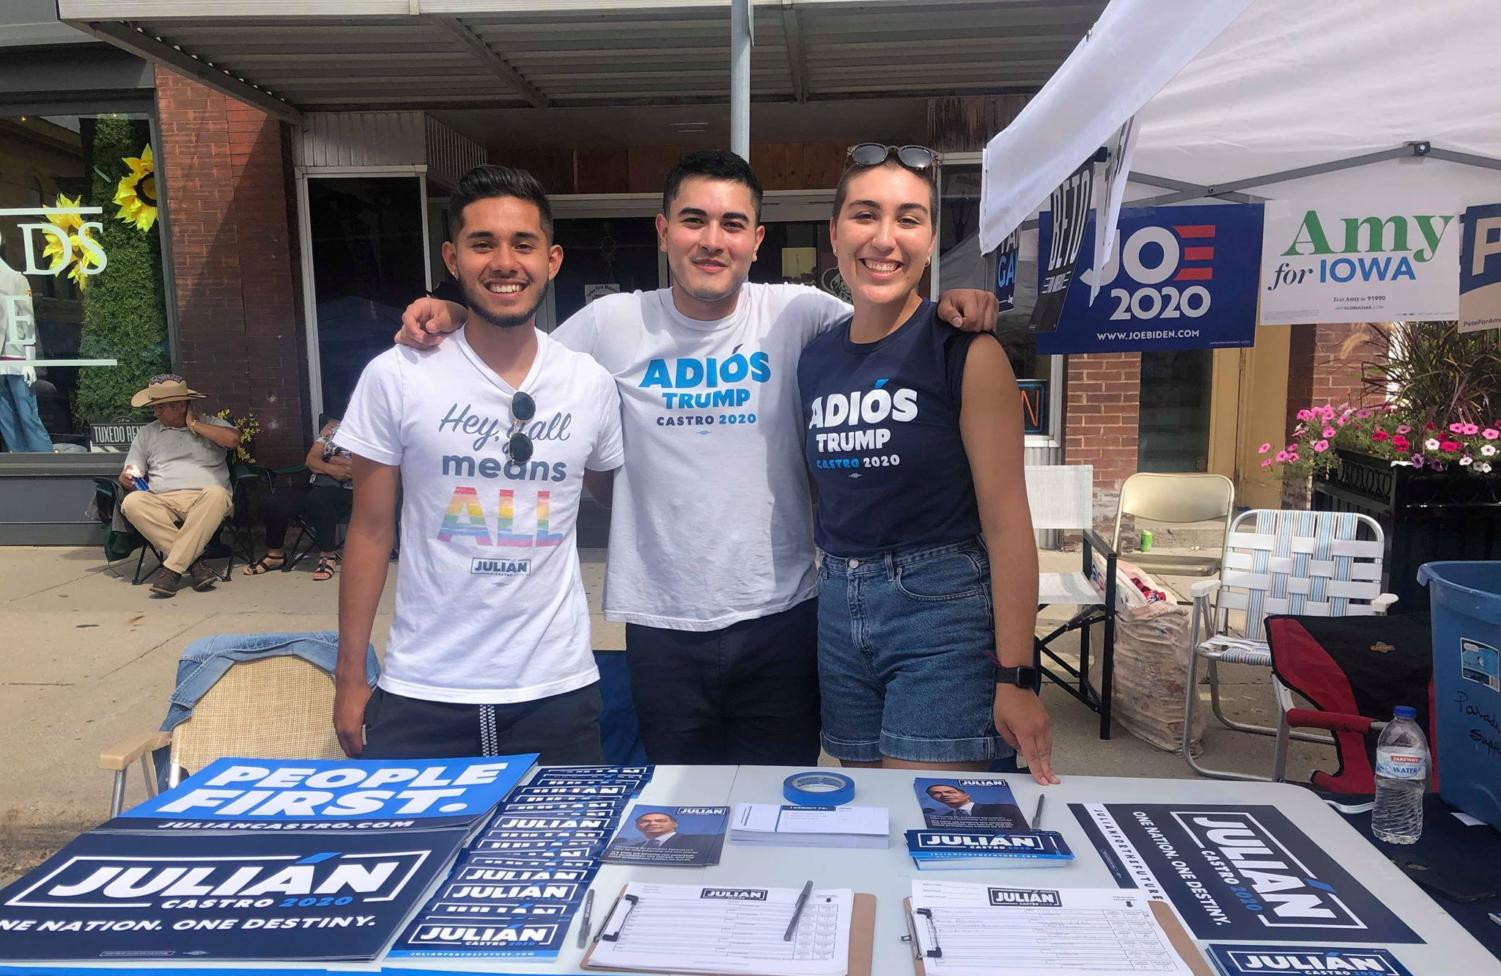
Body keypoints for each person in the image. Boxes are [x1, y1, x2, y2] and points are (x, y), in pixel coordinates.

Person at [396, 150, 998, 769]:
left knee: (776, 813)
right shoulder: (611, 323)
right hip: (661, 627)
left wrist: (955, 302)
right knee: (681, 821)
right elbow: (520, 359)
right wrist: (459, 312)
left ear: (757, 239)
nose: (713, 241)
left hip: (781, 618)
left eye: (733, 224)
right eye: (692, 221)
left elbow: (893, 316)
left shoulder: (799, 314)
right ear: (662, 231)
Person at [333, 165, 624, 763]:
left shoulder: (588, 383)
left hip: (556, 691)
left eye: (524, 243)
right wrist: (350, 678)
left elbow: (615, 495)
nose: (504, 261)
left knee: (556, 858)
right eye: (482, 243)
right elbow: (369, 529)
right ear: (452, 257)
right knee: (421, 857)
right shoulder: (397, 375)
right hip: (423, 690)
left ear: (553, 259)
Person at [799, 144, 1055, 783]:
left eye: (909, 219)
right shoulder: (815, 358)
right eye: (865, 216)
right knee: (865, 815)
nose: (885, 239)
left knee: (930, 817)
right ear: (835, 234)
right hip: (837, 606)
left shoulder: (966, 351)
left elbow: (1008, 525)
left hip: (940, 611)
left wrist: (1017, 674)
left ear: (931, 238)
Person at [118, 375, 242, 598]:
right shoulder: (148, 433)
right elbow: (132, 468)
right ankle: (193, 564)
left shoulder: (210, 423)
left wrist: (194, 425)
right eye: (155, 407)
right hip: (162, 499)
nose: (155, 413)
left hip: (204, 499)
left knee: (217, 494)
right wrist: (126, 477)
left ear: (181, 406)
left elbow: (233, 440)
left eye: (160, 407)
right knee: (132, 502)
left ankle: (172, 570)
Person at [243, 418, 353, 581]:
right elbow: (311, 460)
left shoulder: (372, 433)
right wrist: (331, 465)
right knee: (274, 500)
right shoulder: (333, 430)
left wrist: (327, 459)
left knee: (319, 498)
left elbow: (357, 467)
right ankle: (275, 556)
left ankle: (328, 555)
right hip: (317, 485)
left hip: (349, 491)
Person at [0, 256, 53, 453]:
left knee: (27, 416)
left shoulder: (16, 279)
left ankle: (47, 463)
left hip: (16, 357)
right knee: (5, 419)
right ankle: (20, 462)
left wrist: (30, 361)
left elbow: (27, 320)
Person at [617, 810, 719, 855]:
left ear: (674, 824)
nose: (652, 823)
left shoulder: (705, 841)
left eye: (660, 821)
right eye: (645, 821)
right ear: (637, 826)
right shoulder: (632, 848)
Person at [925, 783, 1010, 818]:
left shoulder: (1004, 809)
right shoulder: (942, 818)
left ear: (966, 795)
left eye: (950, 792)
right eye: (936, 793)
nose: (944, 795)